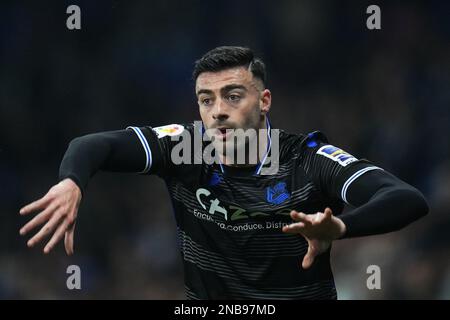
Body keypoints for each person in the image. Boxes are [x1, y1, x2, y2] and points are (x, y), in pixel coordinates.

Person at [19, 46, 429, 299]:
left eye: (233, 95)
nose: (218, 110)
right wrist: (72, 180)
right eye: (206, 99)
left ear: (264, 100)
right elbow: (93, 145)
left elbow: (406, 199)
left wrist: (339, 227)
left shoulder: (307, 158)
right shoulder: (184, 146)